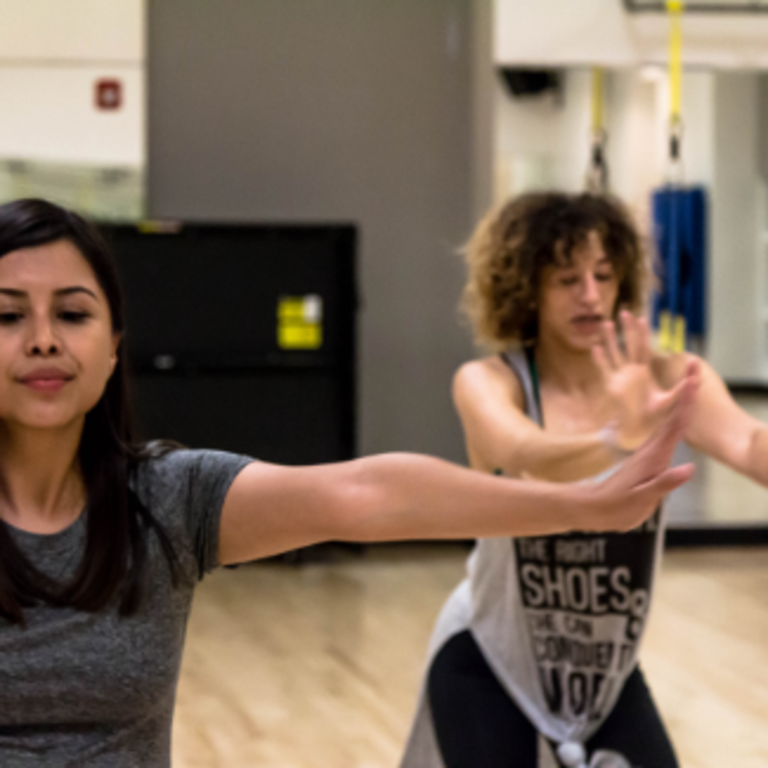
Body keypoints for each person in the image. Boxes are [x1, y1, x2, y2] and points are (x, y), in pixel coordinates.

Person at [0, 198, 694, 768]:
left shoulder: (163, 503)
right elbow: (508, 445)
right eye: (8, 315)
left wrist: (588, 501)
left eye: (72, 313)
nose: (42, 339)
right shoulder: (493, 379)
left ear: (114, 341)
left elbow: (371, 494)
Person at [400, 191, 768, 768]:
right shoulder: (491, 381)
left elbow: (748, 443)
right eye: (567, 279)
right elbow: (523, 452)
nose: (591, 295)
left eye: (603, 274)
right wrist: (617, 438)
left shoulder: (670, 376)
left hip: (602, 670)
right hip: (490, 654)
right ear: (527, 288)